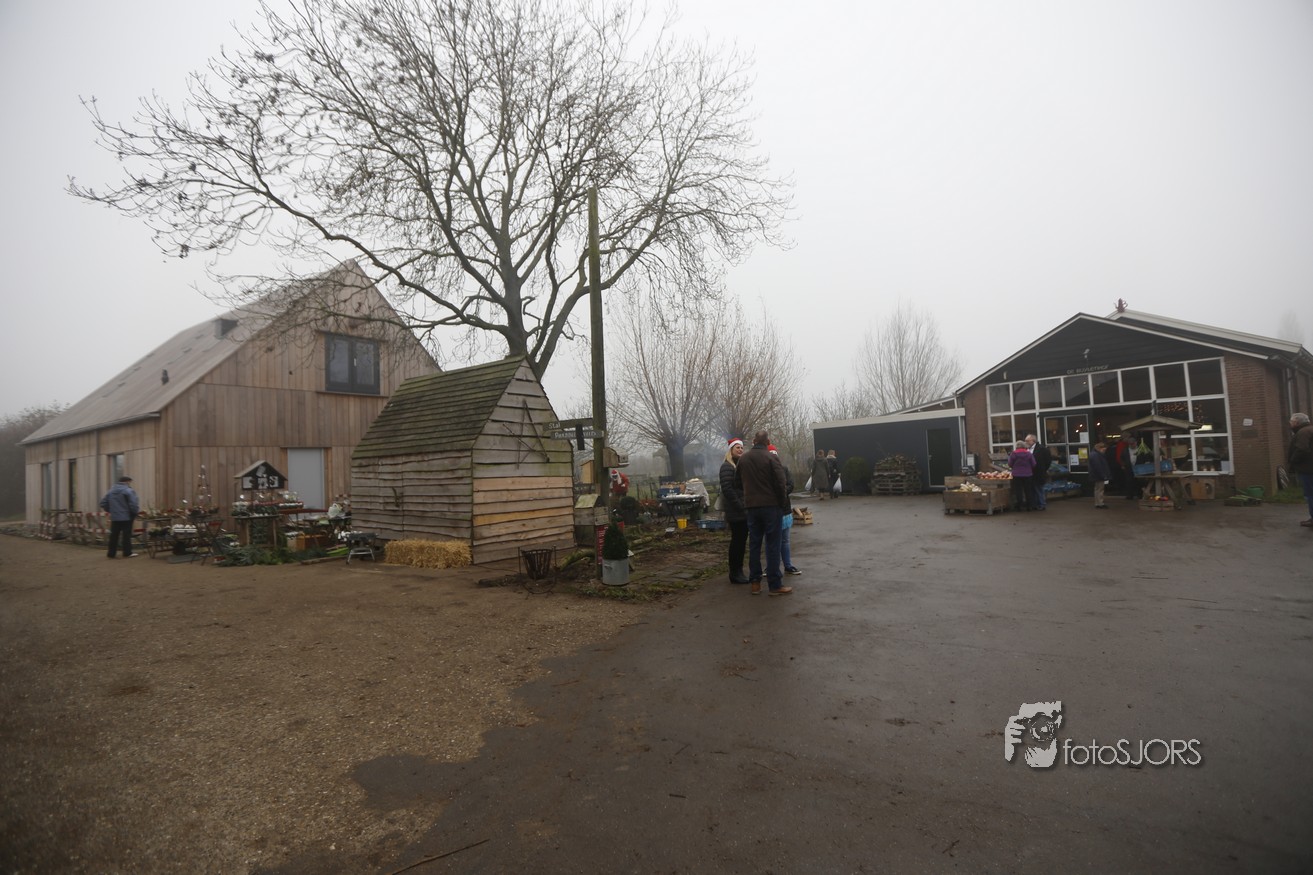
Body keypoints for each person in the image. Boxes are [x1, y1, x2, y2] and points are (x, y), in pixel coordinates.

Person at [734, 430, 792, 596]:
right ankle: (774, 585)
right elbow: (781, 483)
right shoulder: (772, 458)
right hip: (771, 507)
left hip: (752, 507)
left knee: (754, 544)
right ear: (768, 442)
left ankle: (755, 583)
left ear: (753, 441)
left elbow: (737, 483)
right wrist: (781, 503)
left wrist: (749, 494)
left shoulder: (744, 459)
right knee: (773, 545)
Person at [718, 438, 750, 583]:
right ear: (730, 450)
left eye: (742, 448)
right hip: (735, 510)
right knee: (737, 542)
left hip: (741, 509)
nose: (740, 450)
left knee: (741, 541)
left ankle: (738, 570)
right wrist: (740, 506)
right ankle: (735, 572)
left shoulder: (738, 465)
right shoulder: (727, 466)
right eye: (737, 447)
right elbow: (728, 489)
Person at [768, 445, 802, 575]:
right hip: (770, 510)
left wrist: (781, 492)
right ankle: (771, 566)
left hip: (784, 509)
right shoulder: (763, 472)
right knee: (771, 541)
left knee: (785, 540)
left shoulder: (784, 469)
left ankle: (788, 565)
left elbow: (790, 485)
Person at [99, 475, 140, 559]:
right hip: (127, 517)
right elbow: (133, 504)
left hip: (115, 517)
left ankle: (111, 553)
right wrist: (135, 513)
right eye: (129, 482)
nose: (129, 484)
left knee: (114, 535)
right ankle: (127, 553)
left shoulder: (111, 491)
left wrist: (111, 510)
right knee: (126, 535)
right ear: (127, 481)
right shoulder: (128, 491)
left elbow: (103, 503)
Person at [1287, 412, 1313, 528]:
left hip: (1308, 469)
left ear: (1297, 422)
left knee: (1310, 494)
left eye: (1291, 421)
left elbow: (1302, 449)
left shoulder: (1303, 432)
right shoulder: (1310, 430)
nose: (1290, 423)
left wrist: (1293, 461)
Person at [1007, 440, 1037, 511]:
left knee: (1018, 490)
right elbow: (1034, 464)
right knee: (1028, 490)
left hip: (1017, 475)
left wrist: (1015, 467)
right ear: (1024, 446)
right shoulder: (1029, 454)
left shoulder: (1014, 454)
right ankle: (1029, 506)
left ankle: (1019, 506)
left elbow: (1010, 464)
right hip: (1028, 474)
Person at [1025, 434, 1051, 510]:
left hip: (1039, 473)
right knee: (1032, 490)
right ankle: (1035, 504)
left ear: (1033, 441)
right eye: (1025, 441)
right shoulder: (1027, 449)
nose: (1026, 442)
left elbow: (1048, 461)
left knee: (1039, 489)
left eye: (1027, 441)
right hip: (1029, 473)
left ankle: (1042, 504)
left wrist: (1043, 469)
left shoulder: (1042, 449)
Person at [1088, 441, 1112, 509]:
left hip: (1095, 475)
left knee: (1097, 489)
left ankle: (1097, 503)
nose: (1104, 451)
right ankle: (1100, 503)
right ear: (1100, 448)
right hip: (1099, 475)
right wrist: (1103, 475)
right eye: (1104, 449)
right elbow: (1098, 466)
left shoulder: (1093, 454)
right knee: (1100, 489)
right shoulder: (1097, 455)